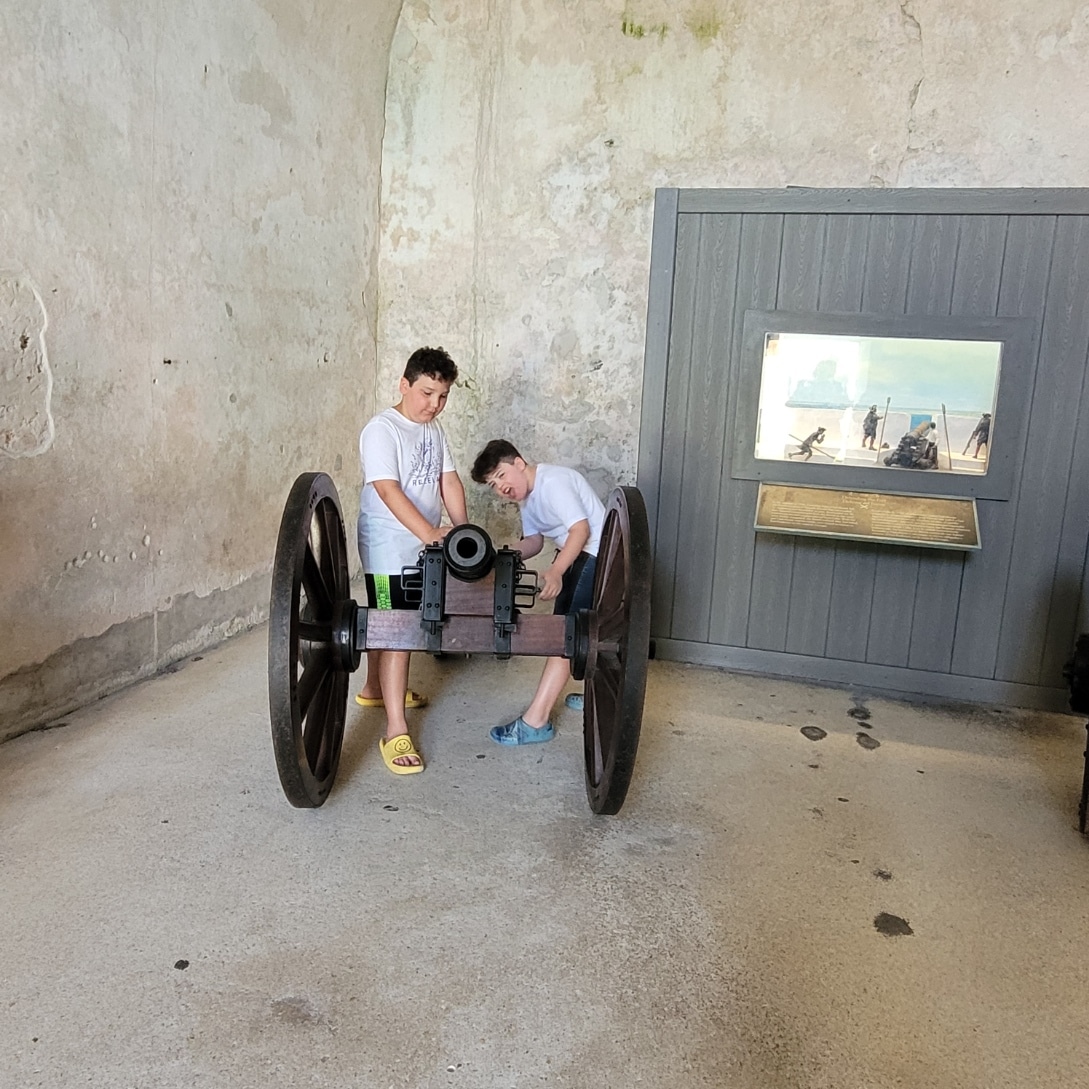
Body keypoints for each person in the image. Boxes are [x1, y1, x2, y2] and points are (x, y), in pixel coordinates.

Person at [355, 346, 468, 775]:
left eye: (442, 396)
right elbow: (387, 490)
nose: (433, 404)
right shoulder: (381, 430)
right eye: (425, 393)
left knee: (393, 625)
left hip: (425, 546)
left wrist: (462, 534)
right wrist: (429, 534)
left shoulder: (433, 429)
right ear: (403, 385)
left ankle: (373, 687)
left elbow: (449, 480)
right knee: (397, 628)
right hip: (388, 549)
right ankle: (395, 729)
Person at [470, 440, 605, 746]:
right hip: (578, 555)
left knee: (565, 634)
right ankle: (598, 693)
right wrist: (498, 558)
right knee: (570, 630)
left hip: (597, 555)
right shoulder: (527, 498)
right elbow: (533, 541)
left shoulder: (552, 482)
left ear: (519, 463)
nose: (500, 488)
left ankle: (536, 721)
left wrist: (556, 571)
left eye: (501, 476)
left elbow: (580, 530)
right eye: (493, 484)